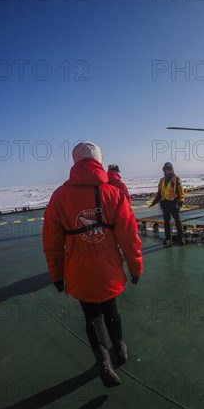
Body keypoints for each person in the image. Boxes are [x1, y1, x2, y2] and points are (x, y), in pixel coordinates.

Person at [42, 141, 143, 388]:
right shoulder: (114, 193)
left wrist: (56, 275)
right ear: (98, 161)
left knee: (92, 315)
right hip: (108, 268)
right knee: (111, 310)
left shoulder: (59, 197)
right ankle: (119, 348)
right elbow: (129, 236)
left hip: (79, 270)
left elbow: (52, 241)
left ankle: (103, 361)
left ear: (75, 161)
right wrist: (135, 267)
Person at [149, 162, 185, 246]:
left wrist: (180, 202)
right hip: (164, 204)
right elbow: (159, 193)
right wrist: (154, 202)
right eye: (165, 170)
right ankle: (168, 239)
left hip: (173, 204)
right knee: (166, 222)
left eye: (168, 170)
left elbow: (181, 192)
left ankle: (181, 239)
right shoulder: (162, 180)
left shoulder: (176, 179)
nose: (166, 171)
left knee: (178, 222)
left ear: (171, 170)